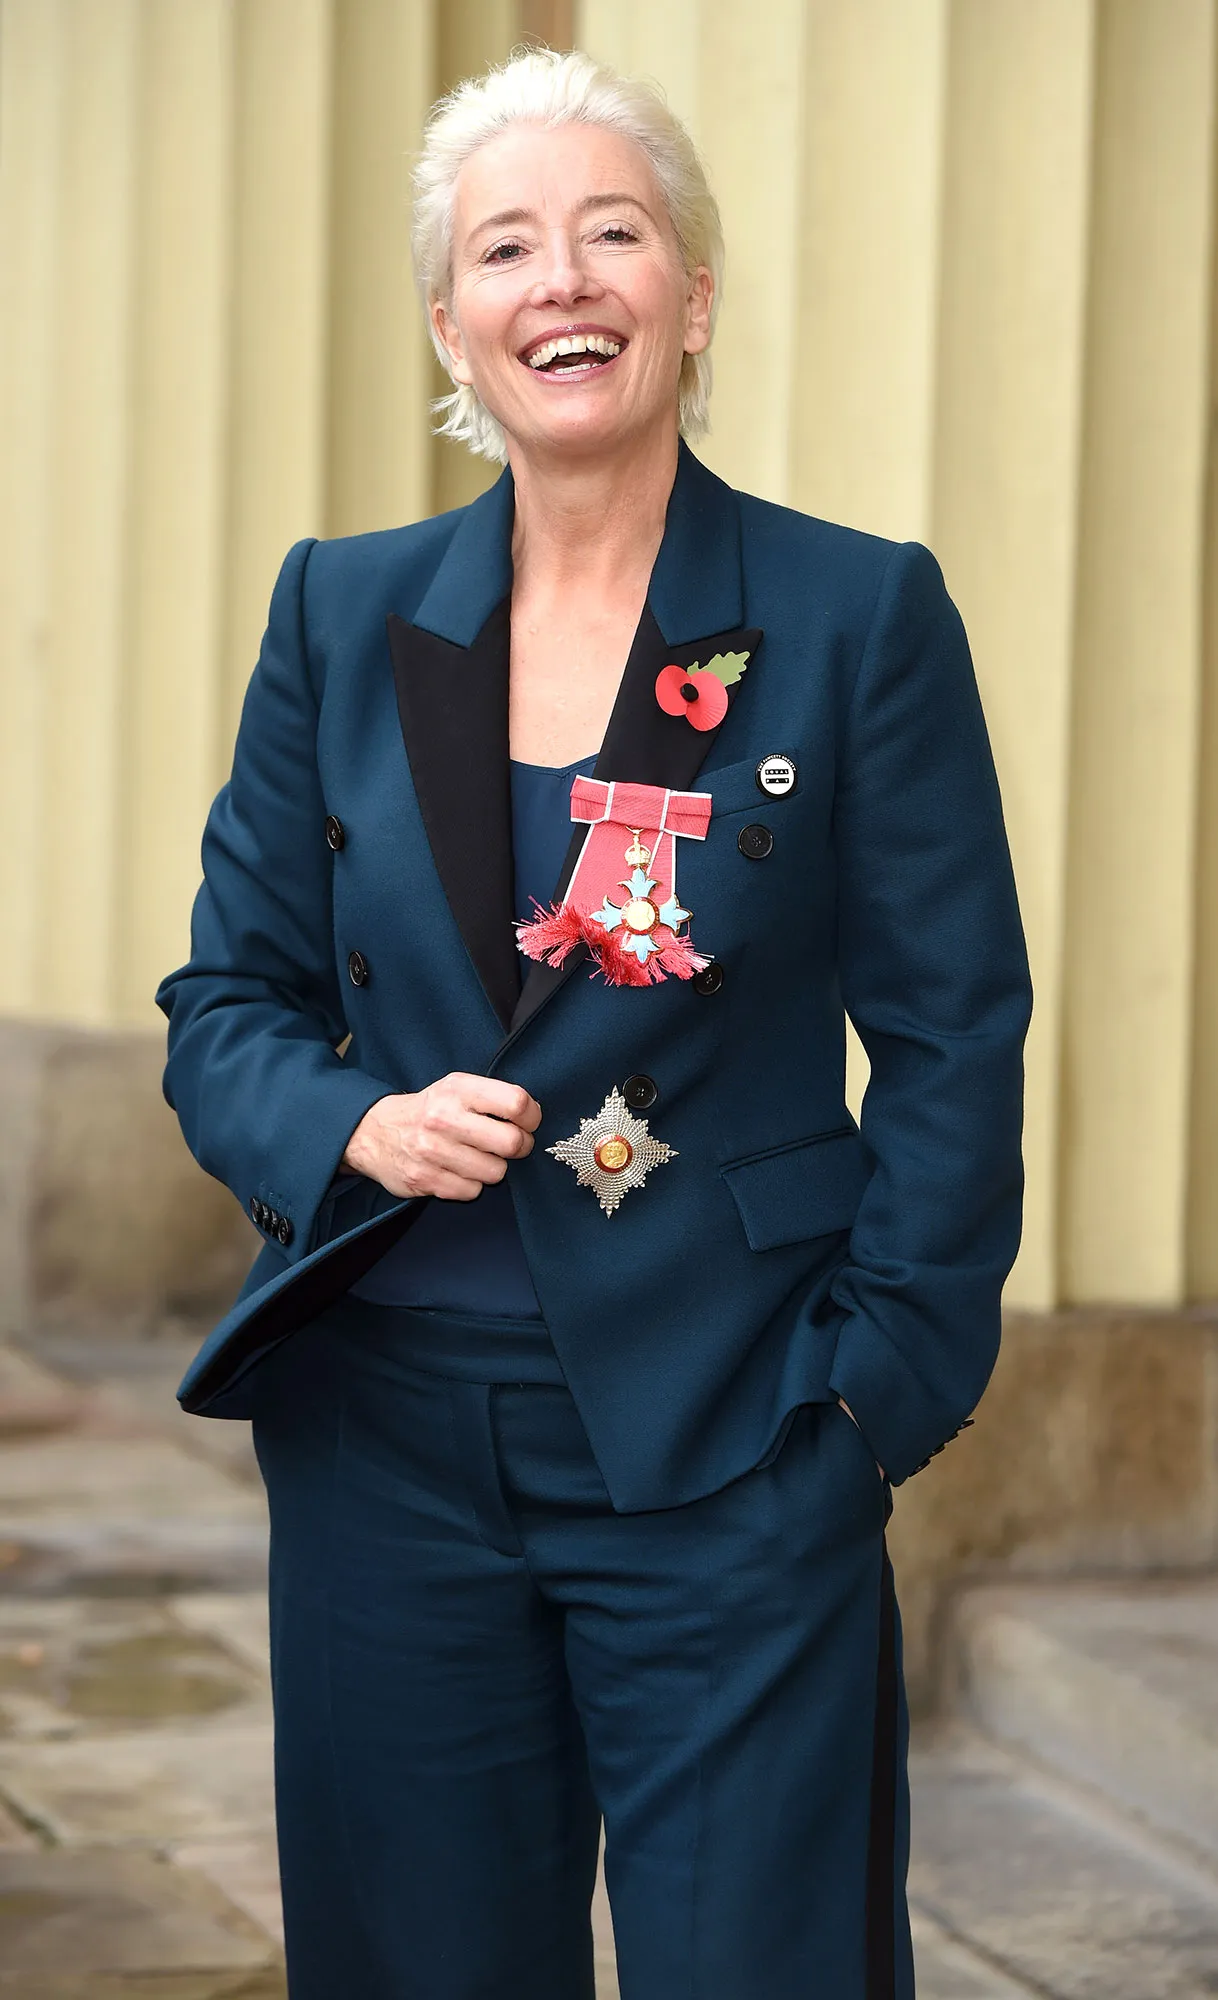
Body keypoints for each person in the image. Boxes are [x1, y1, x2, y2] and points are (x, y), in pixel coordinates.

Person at [157, 46, 1031, 2000]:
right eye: (505, 248)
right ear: (450, 327)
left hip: (735, 1426)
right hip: (386, 1436)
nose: (561, 278)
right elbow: (225, 1007)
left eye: (612, 233)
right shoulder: (337, 614)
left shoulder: (854, 615)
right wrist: (349, 1127)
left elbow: (956, 1032)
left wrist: (871, 1398)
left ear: (691, 298)